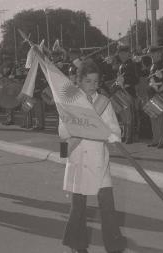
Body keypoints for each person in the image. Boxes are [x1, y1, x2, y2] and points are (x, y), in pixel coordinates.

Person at [59, 59, 126, 253]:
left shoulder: (103, 102)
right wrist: (81, 131)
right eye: (88, 81)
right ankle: (77, 245)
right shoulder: (70, 102)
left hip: (99, 160)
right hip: (78, 159)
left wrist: (109, 135)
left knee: (107, 206)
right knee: (78, 207)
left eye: (96, 82)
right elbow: (62, 132)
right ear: (78, 81)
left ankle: (114, 247)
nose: (92, 86)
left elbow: (114, 130)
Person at [147, 45, 163, 148]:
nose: (152, 55)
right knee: (154, 117)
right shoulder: (153, 65)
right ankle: (156, 139)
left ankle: (162, 140)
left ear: (159, 53)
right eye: (151, 54)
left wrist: (162, 81)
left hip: (161, 93)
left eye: (153, 53)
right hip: (153, 93)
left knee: (161, 119)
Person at [114, 45, 139, 144]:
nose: (121, 55)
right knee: (123, 116)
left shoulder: (132, 64)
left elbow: (136, 79)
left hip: (128, 91)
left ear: (128, 54)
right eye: (120, 53)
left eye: (123, 53)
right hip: (121, 91)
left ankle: (129, 136)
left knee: (129, 116)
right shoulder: (121, 65)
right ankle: (125, 134)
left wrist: (125, 81)